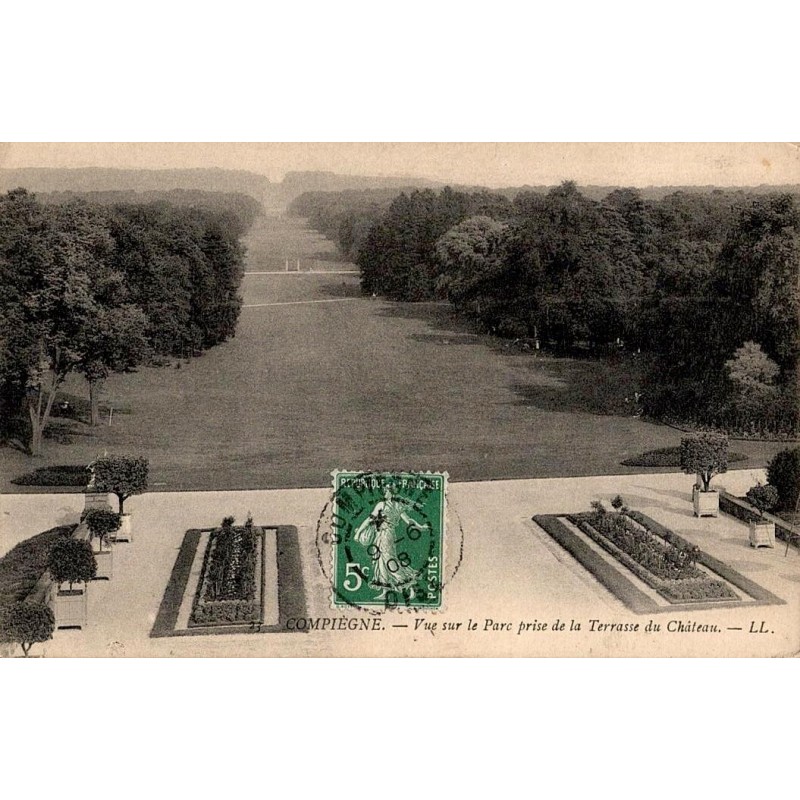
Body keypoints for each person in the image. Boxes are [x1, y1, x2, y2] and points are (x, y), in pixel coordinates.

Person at [354, 485, 429, 599]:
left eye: (386, 491)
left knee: (389, 561)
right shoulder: (398, 506)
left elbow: (369, 519)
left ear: (391, 493)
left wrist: (358, 532)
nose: (384, 493)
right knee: (380, 561)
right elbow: (409, 521)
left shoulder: (382, 505)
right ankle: (385, 591)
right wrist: (420, 527)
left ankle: (410, 586)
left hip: (385, 535)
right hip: (385, 535)